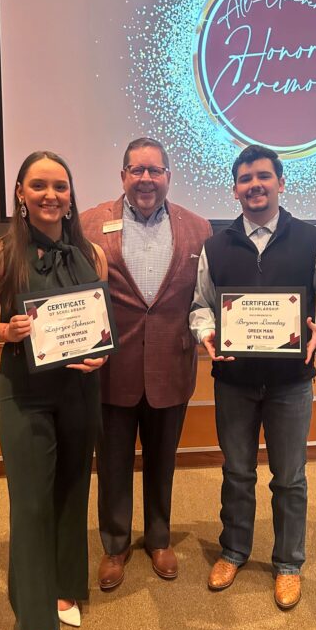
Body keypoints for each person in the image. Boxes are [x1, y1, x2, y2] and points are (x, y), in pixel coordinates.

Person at [189, 144, 316, 608]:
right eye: (245, 178)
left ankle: (288, 563)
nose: (254, 185)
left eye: (263, 176)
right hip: (234, 383)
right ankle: (234, 550)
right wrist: (206, 333)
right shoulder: (215, 246)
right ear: (235, 189)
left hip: (291, 384)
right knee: (236, 473)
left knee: (289, 477)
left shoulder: (311, 239)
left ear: (281, 182)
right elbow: (201, 306)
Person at [0, 151, 107, 630]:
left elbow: (98, 322)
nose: (51, 195)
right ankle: (33, 622)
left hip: (78, 393)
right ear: (21, 196)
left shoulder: (91, 254)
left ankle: (64, 588)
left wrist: (98, 351)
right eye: (39, 186)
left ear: (71, 195)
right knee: (30, 505)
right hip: (24, 393)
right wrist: (6, 331)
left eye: (60, 186)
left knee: (73, 491)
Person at [81, 137, 211, 589]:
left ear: (168, 177)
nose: (146, 179)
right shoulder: (89, 224)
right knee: (112, 462)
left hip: (171, 367)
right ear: (122, 177)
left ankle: (159, 538)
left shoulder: (198, 229)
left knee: (163, 461)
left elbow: (204, 299)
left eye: (155, 170)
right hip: (111, 370)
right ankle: (115, 545)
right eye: (136, 170)